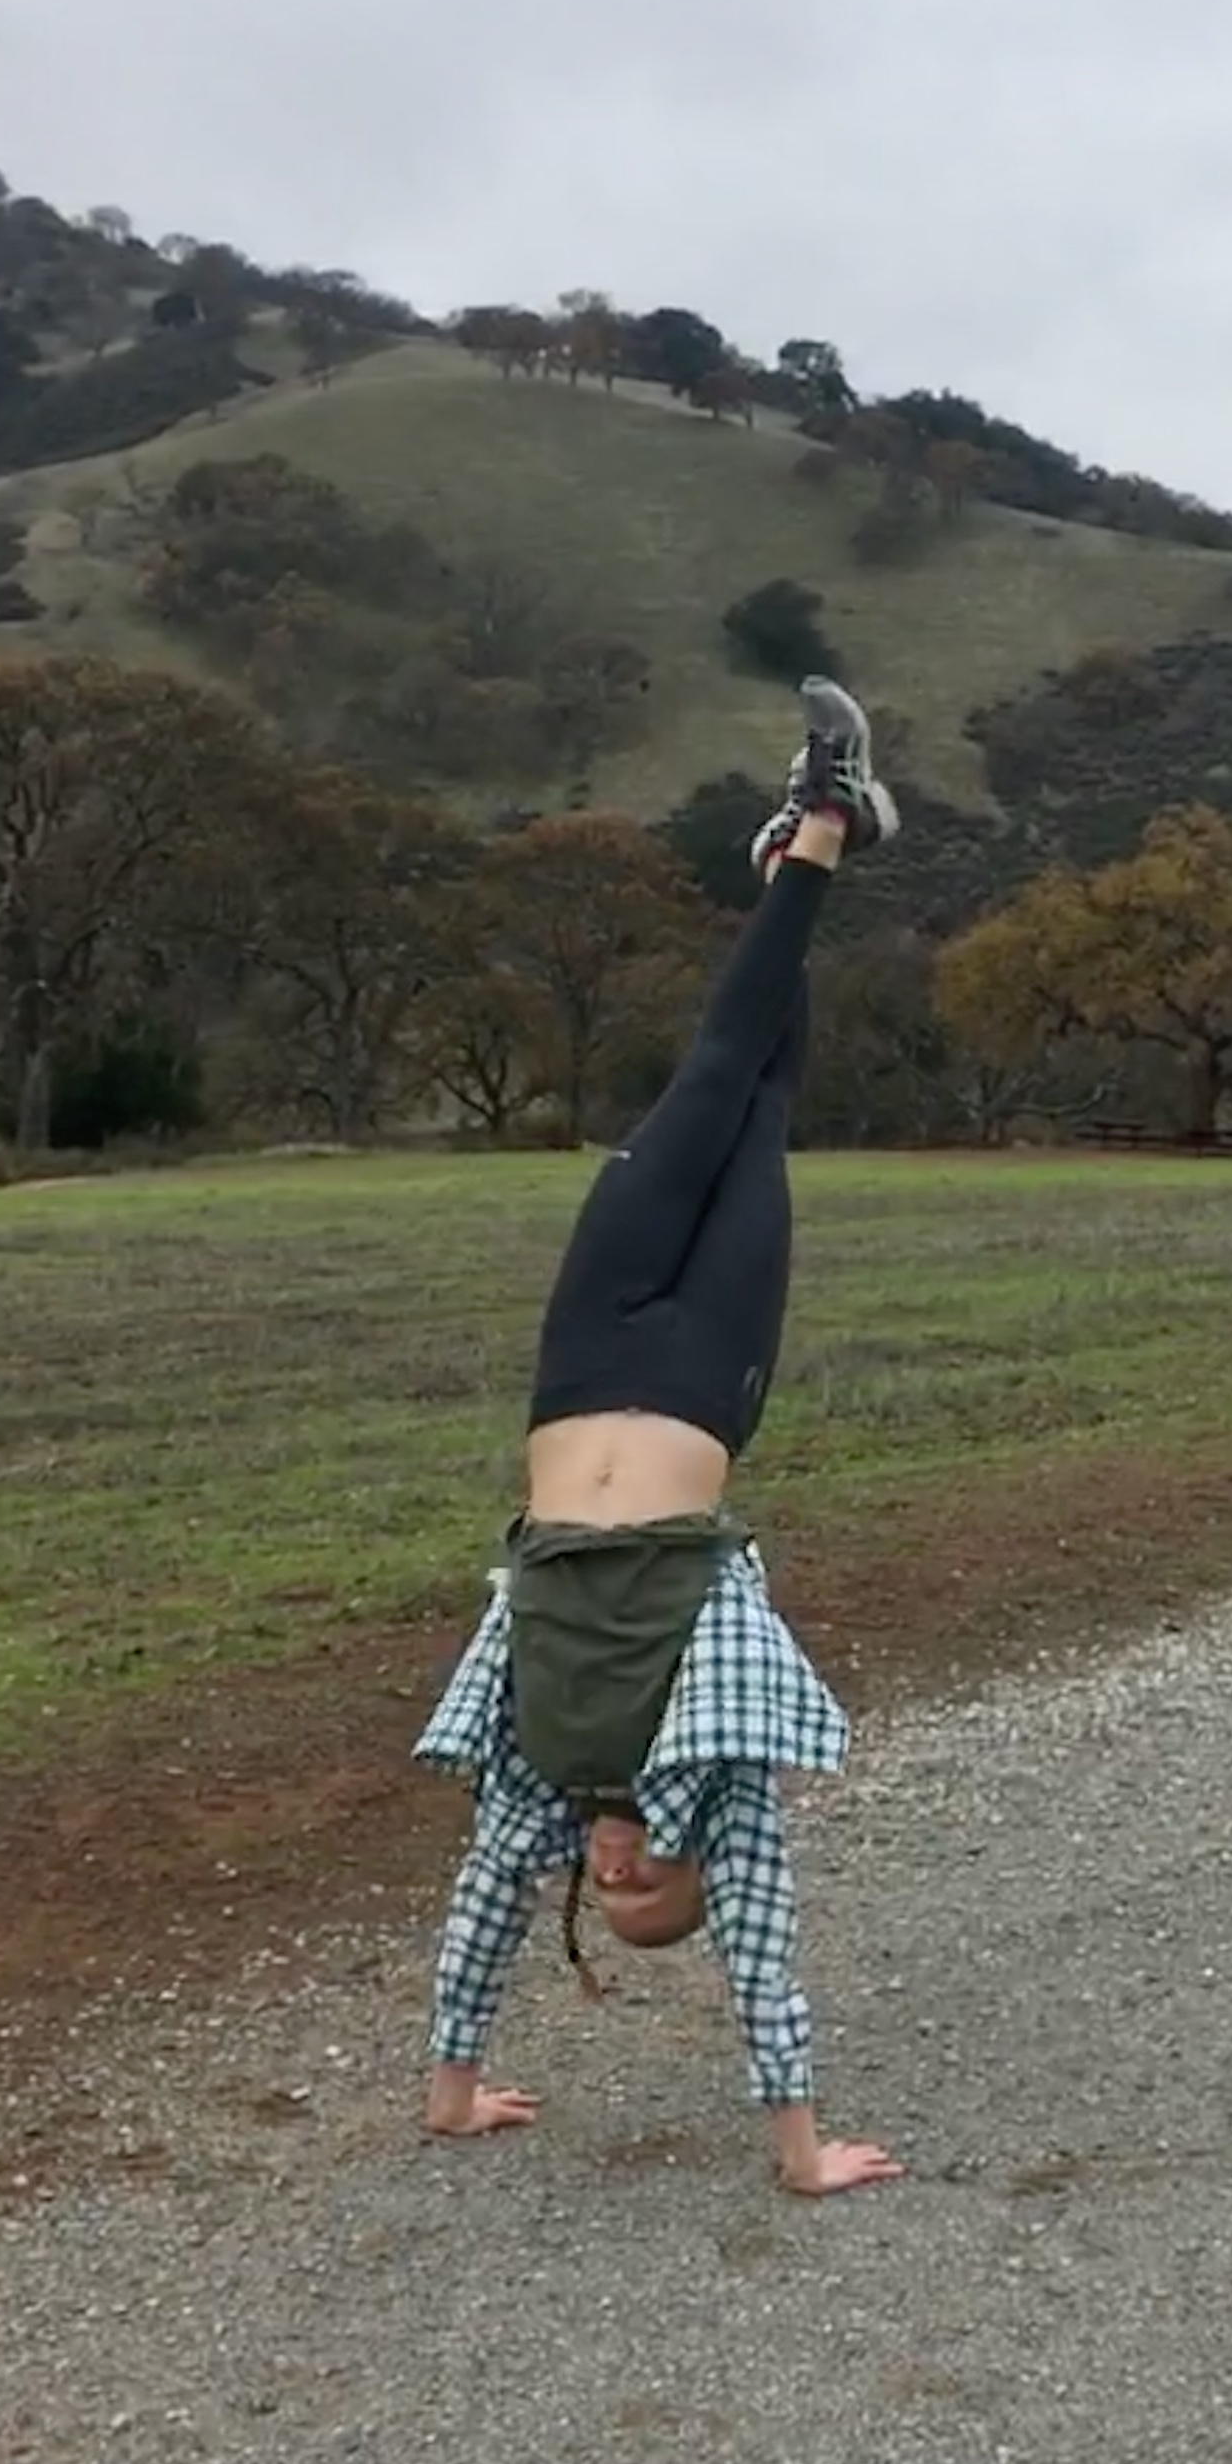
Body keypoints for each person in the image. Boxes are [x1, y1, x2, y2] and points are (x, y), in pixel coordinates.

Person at [414, 679, 907, 2197]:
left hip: (581, 1362)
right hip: (701, 1386)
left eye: (611, 1894)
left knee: (717, 1081)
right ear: (692, 1864)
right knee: (747, 1108)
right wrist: (802, 2152)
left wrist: (450, 2093)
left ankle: (817, 834)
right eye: (653, 1889)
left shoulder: (536, 1785)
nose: (622, 1873)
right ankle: (817, 831)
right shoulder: (724, 1777)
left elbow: (479, 1914)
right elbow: (763, 1951)